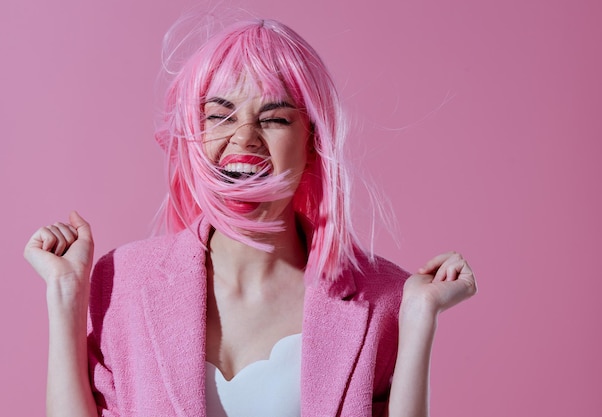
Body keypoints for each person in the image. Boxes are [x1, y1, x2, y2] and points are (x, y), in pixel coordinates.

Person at [24, 18, 477, 417]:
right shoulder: (121, 282)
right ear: (194, 133)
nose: (245, 138)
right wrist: (66, 295)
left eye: (274, 119)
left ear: (313, 141)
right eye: (220, 116)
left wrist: (419, 318)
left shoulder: (383, 299)